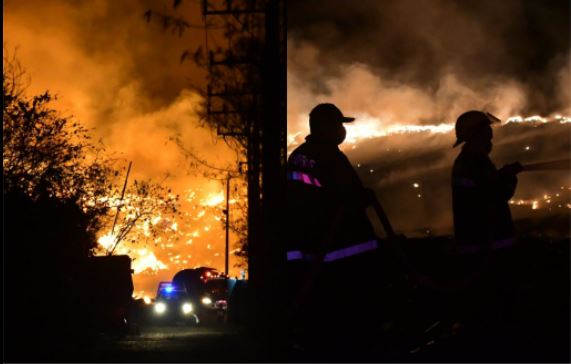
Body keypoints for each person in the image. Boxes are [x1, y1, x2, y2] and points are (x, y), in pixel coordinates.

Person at [286, 103, 382, 359]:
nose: (342, 130)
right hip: (340, 259)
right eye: (339, 124)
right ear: (327, 127)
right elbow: (342, 197)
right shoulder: (326, 155)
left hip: (319, 259)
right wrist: (361, 198)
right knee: (344, 331)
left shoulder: (300, 156)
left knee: (324, 328)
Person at [450, 110, 523, 356]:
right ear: (477, 134)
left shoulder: (472, 162)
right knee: (492, 311)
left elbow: (484, 189)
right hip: (486, 250)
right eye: (487, 131)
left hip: (482, 248)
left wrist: (502, 174)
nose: (491, 136)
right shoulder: (474, 163)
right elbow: (495, 195)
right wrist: (509, 179)